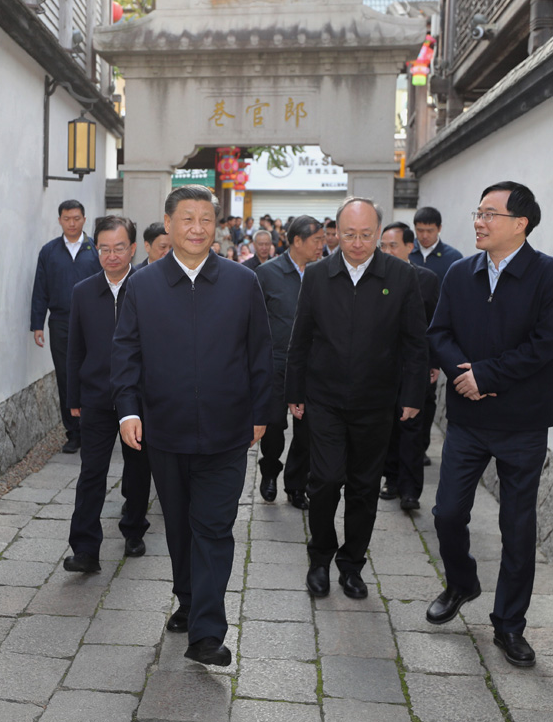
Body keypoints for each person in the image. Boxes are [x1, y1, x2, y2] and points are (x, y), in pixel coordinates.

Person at [111, 185, 273, 667]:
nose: (198, 228)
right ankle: (187, 597)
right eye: (187, 219)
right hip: (166, 430)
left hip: (228, 433)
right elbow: (125, 354)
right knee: (180, 527)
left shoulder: (243, 282)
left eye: (206, 219)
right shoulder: (142, 285)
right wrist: (128, 410)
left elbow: (260, 353)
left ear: (217, 225)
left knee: (215, 528)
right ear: (168, 222)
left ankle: (206, 632)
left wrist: (261, 412)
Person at [426, 181, 553, 668]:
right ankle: (462, 581)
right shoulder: (460, 274)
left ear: (520, 224)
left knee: (517, 529)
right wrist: (467, 376)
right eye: (478, 212)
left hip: (522, 423)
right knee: (446, 513)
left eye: (489, 214)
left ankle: (509, 624)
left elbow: (545, 345)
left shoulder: (545, 276)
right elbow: (438, 332)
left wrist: (486, 375)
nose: (478, 221)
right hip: (469, 419)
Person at [286, 198, 427, 600]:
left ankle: (352, 564)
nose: (358, 243)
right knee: (326, 480)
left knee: (364, 487)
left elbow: (416, 342)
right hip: (324, 400)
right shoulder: (317, 275)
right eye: (349, 235)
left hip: (376, 402)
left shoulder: (400, 276)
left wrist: (412, 394)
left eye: (367, 235)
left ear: (379, 234)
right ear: (336, 233)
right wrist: (294, 392)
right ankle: (319, 559)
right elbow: (301, 338)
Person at [64, 216, 151, 573]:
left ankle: (133, 529)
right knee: (91, 473)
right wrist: (73, 397)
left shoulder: (148, 287)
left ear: (132, 248)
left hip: (139, 400)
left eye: (119, 248)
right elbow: (75, 350)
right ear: (95, 249)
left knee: (137, 470)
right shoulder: (83, 291)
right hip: (97, 398)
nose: (111, 256)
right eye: (104, 248)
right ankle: (85, 548)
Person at [256, 216, 324, 510]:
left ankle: (297, 485)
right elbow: (254, 322)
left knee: (307, 430)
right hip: (275, 363)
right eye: (317, 240)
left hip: (311, 365)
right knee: (272, 426)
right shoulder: (267, 273)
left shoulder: (324, 273)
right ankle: (270, 472)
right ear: (297, 241)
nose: (323, 245)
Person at [31, 200, 100, 453]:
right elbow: (40, 289)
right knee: (66, 376)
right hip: (60, 322)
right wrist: (37, 324)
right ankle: (73, 432)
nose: (72, 223)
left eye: (76, 218)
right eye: (67, 218)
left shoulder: (96, 249)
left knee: (92, 373)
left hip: (93, 322)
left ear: (84, 219)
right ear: (59, 220)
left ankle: (94, 427)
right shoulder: (49, 252)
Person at [379, 222, 439, 509]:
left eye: (393, 245)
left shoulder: (427, 279)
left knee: (413, 429)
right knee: (388, 426)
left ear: (409, 247)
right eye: (384, 245)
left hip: (416, 365)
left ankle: (411, 490)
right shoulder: (375, 278)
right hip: (383, 366)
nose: (387, 250)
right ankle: (391, 479)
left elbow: (438, 326)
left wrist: (435, 363)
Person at [409, 206, 462, 466]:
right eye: (419, 231)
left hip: (435, 337)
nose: (424, 236)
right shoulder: (409, 253)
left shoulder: (452, 258)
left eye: (429, 231)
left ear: (439, 229)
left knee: (427, 398)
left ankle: (421, 446)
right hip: (410, 335)